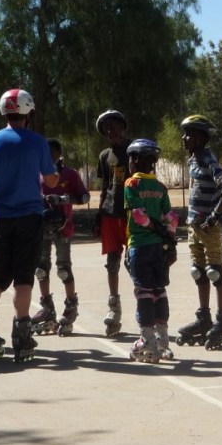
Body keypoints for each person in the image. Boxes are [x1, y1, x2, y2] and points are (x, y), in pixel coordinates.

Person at [0, 88, 58, 363]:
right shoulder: (37, 142)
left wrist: (0, 183)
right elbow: (51, 180)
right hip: (29, 218)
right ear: (28, 112)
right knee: (23, 278)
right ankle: (22, 336)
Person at [177, 114, 222, 349]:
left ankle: (221, 321)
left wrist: (214, 217)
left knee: (214, 272)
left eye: (189, 134)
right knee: (198, 272)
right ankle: (203, 319)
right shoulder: (193, 160)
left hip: (208, 227)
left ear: (201, 137)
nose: (184, 138)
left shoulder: (208, 159)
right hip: (193, 225)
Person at [123, 138, 179, 363]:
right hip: (159, 249)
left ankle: (148, 343)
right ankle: (163, 343)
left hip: (140, 245)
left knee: (144, 293)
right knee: (159, 291)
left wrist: (154, 227)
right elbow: (171, 218)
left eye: (130, 159)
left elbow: (138, 215)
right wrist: (170, 240)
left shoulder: (132, 184)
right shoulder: (160, 187)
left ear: (135, 160)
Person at [32, 139, 90, 337]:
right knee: (41, 269)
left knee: (63, 269)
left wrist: (64, 199)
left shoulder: (69, 174)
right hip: (41, 226)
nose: (47, 156)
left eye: (51, 152)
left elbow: (84, 197)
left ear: (58, 153)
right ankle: (46, 307)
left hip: (63, 226)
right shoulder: (37, 173)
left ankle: (71, 306)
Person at [94, 109, 130, 337]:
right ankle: (114, 308)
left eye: (114, 126)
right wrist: (98, 215)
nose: (111, 130)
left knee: (134, 262)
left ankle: (146, 308)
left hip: (132, 214)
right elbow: (105, 186)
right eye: (106, 128)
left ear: (122, 126)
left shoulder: (135, 150)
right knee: (112, 262)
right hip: (110, 213)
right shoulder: (104, 155)